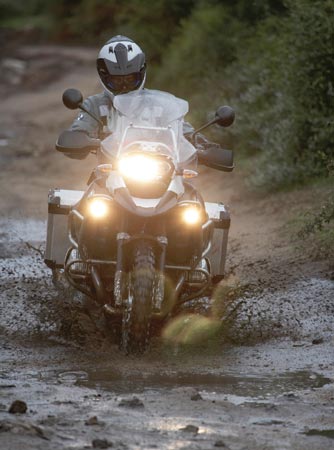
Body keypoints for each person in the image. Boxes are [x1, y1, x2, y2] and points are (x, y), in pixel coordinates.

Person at [57, 35, 233, 171]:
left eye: (130, 79)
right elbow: (78, 132)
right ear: (104, 76)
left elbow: (185, 132)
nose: (124, 86)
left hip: (163, 173)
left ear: (140, 73)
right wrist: (80, 139)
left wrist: (202, 145)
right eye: (117, 81)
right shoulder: (94, 105)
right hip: (110, 174)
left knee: (194, 205)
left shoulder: (161, 105)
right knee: (88, 207)